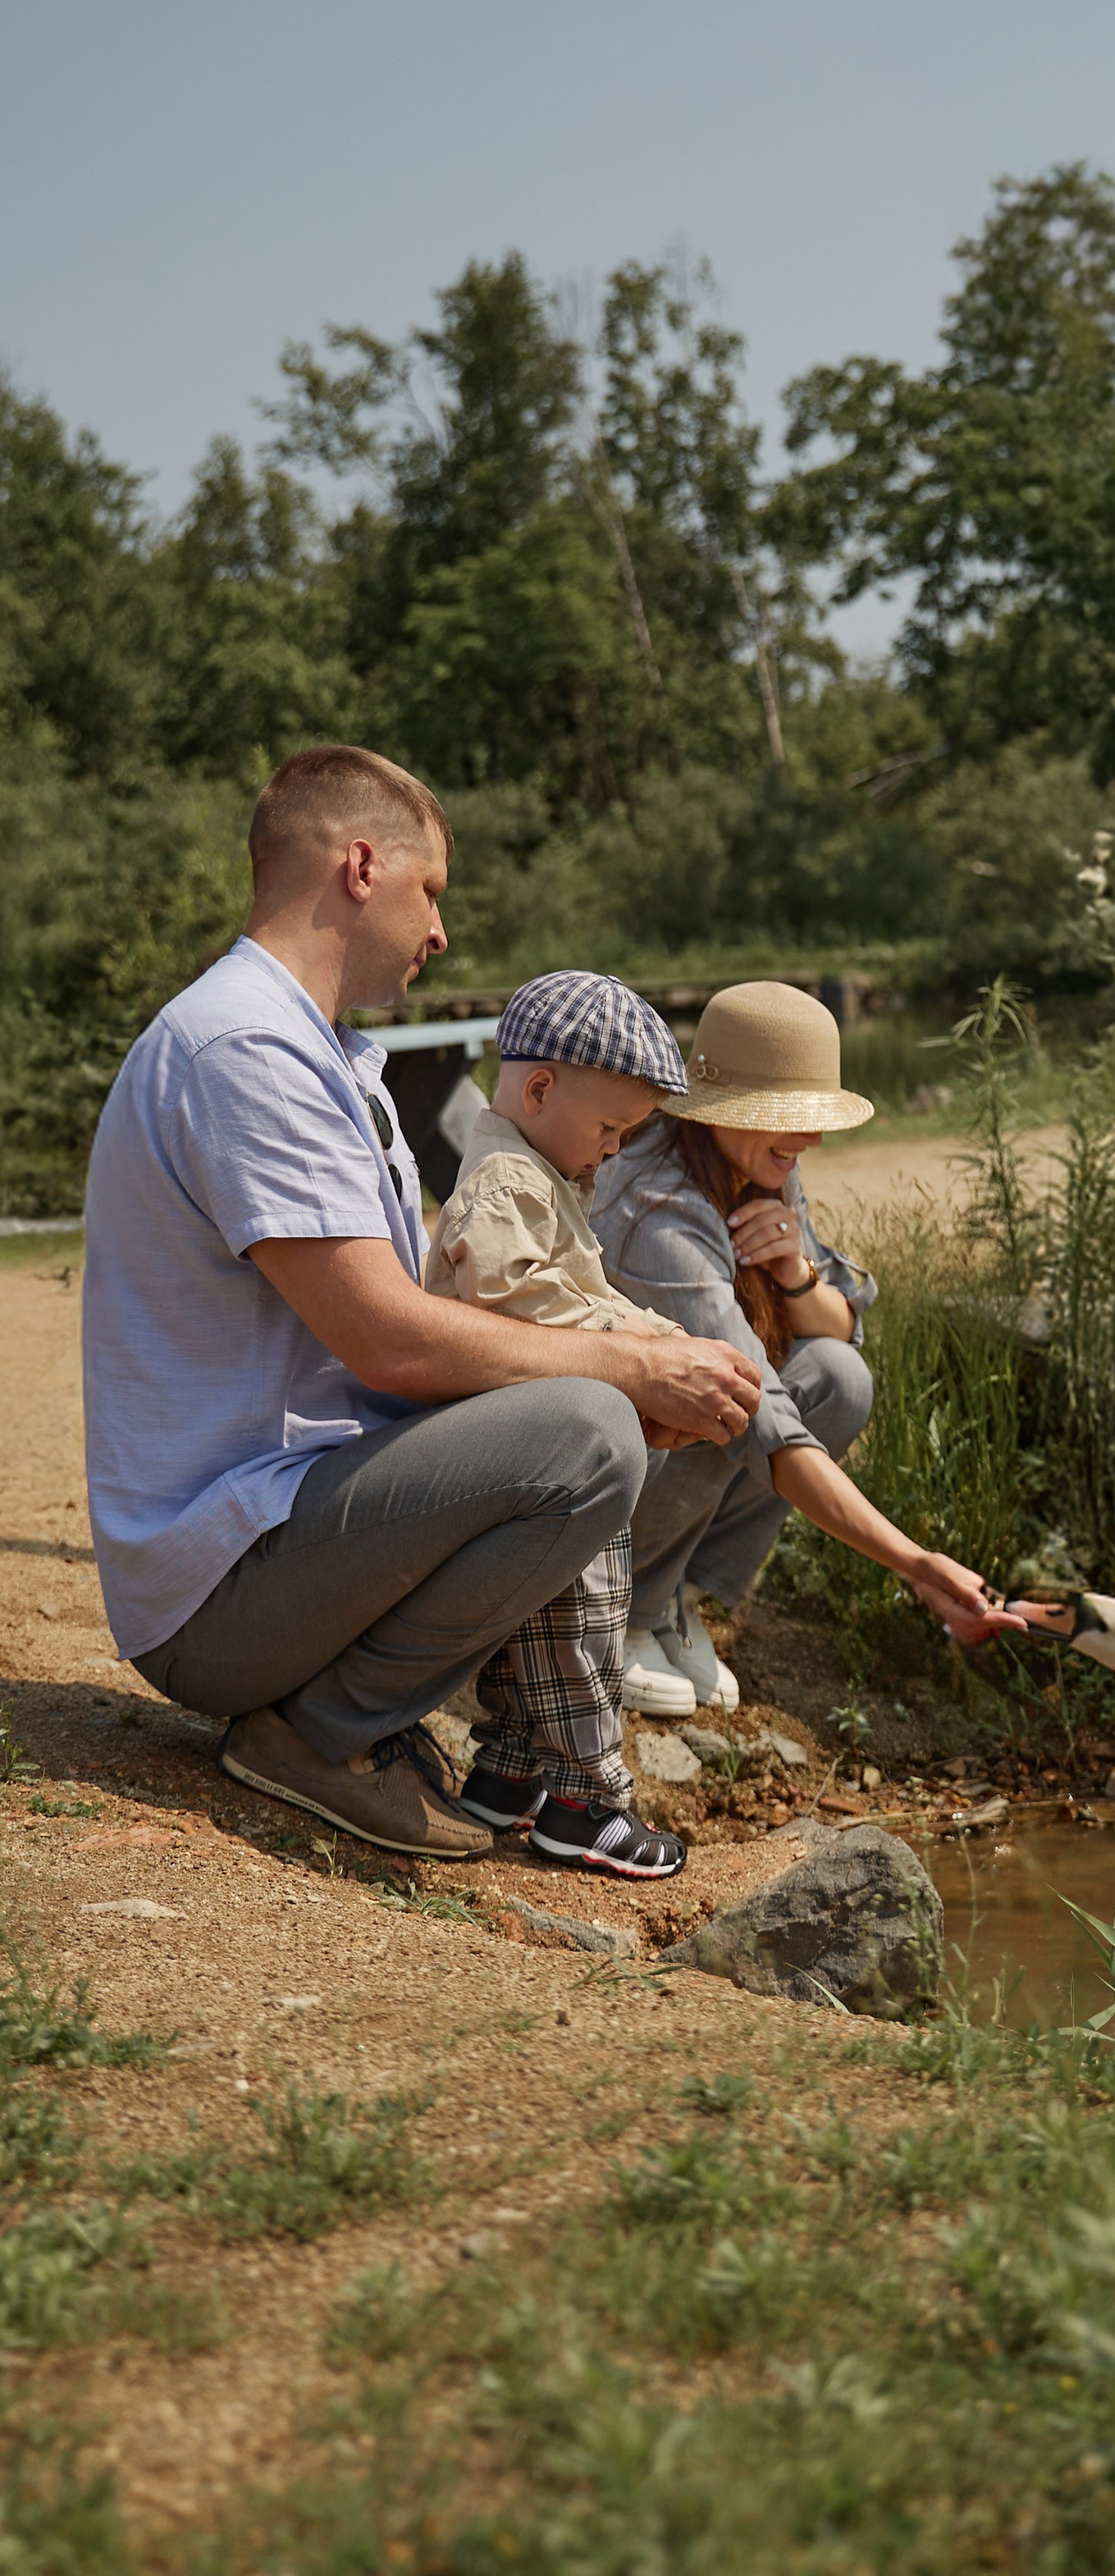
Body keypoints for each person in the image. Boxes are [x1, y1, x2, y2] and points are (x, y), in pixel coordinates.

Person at [82, 746, 762, 1861]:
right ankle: (321, 1733)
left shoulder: (325, 1053)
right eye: (431, 891)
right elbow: (385, 1339)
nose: (439, 932)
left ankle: (451, 1739)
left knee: (588, 1415)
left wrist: (617, 1365)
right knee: (589, 1429)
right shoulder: (247, 1048)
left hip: (284, 1537)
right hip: (225, 1586)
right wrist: (627, 1368)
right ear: (360, 867)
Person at [596, 981, 1014, 1706]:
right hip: (606, 1471)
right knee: (723, 1406)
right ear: (727, 1111)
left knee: (838, 1377)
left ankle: (672, 1595)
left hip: (672, 1445)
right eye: (790, 1116)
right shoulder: (660, 1214)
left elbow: (847, 1324)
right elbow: (762, 1421)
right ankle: (621, 1611)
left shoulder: (752, 1161)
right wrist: (915, 1564)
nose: (813, 1139)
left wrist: (795, 1274)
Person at [423, 968, 699, 1878]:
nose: (614, 1150)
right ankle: (586, 1798)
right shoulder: (507, 1183)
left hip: (525, 1441)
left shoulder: (540, 1173)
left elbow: (579, 1293)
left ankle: (507, 1775)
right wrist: (641, 1340)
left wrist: (653, 1339)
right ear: (539, 1089)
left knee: (536, 1618)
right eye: (610, 1128)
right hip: (533, 1442)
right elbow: (522, 1301)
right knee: (584, 1611)